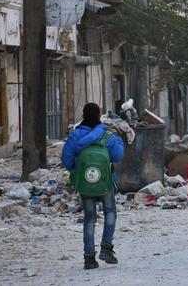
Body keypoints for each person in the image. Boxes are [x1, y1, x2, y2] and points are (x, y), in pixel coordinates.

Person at [61, 103, 124, 270]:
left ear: (83, 115)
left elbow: (67, 162)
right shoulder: (107, 136)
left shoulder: (75, 136)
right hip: (105, 183)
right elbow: (117, 156)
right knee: (110, 211)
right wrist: (117, 141)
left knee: (90, 218)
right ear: (98, 116)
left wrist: (80, 169)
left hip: (85, 184)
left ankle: (89, 258)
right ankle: (106, 249)